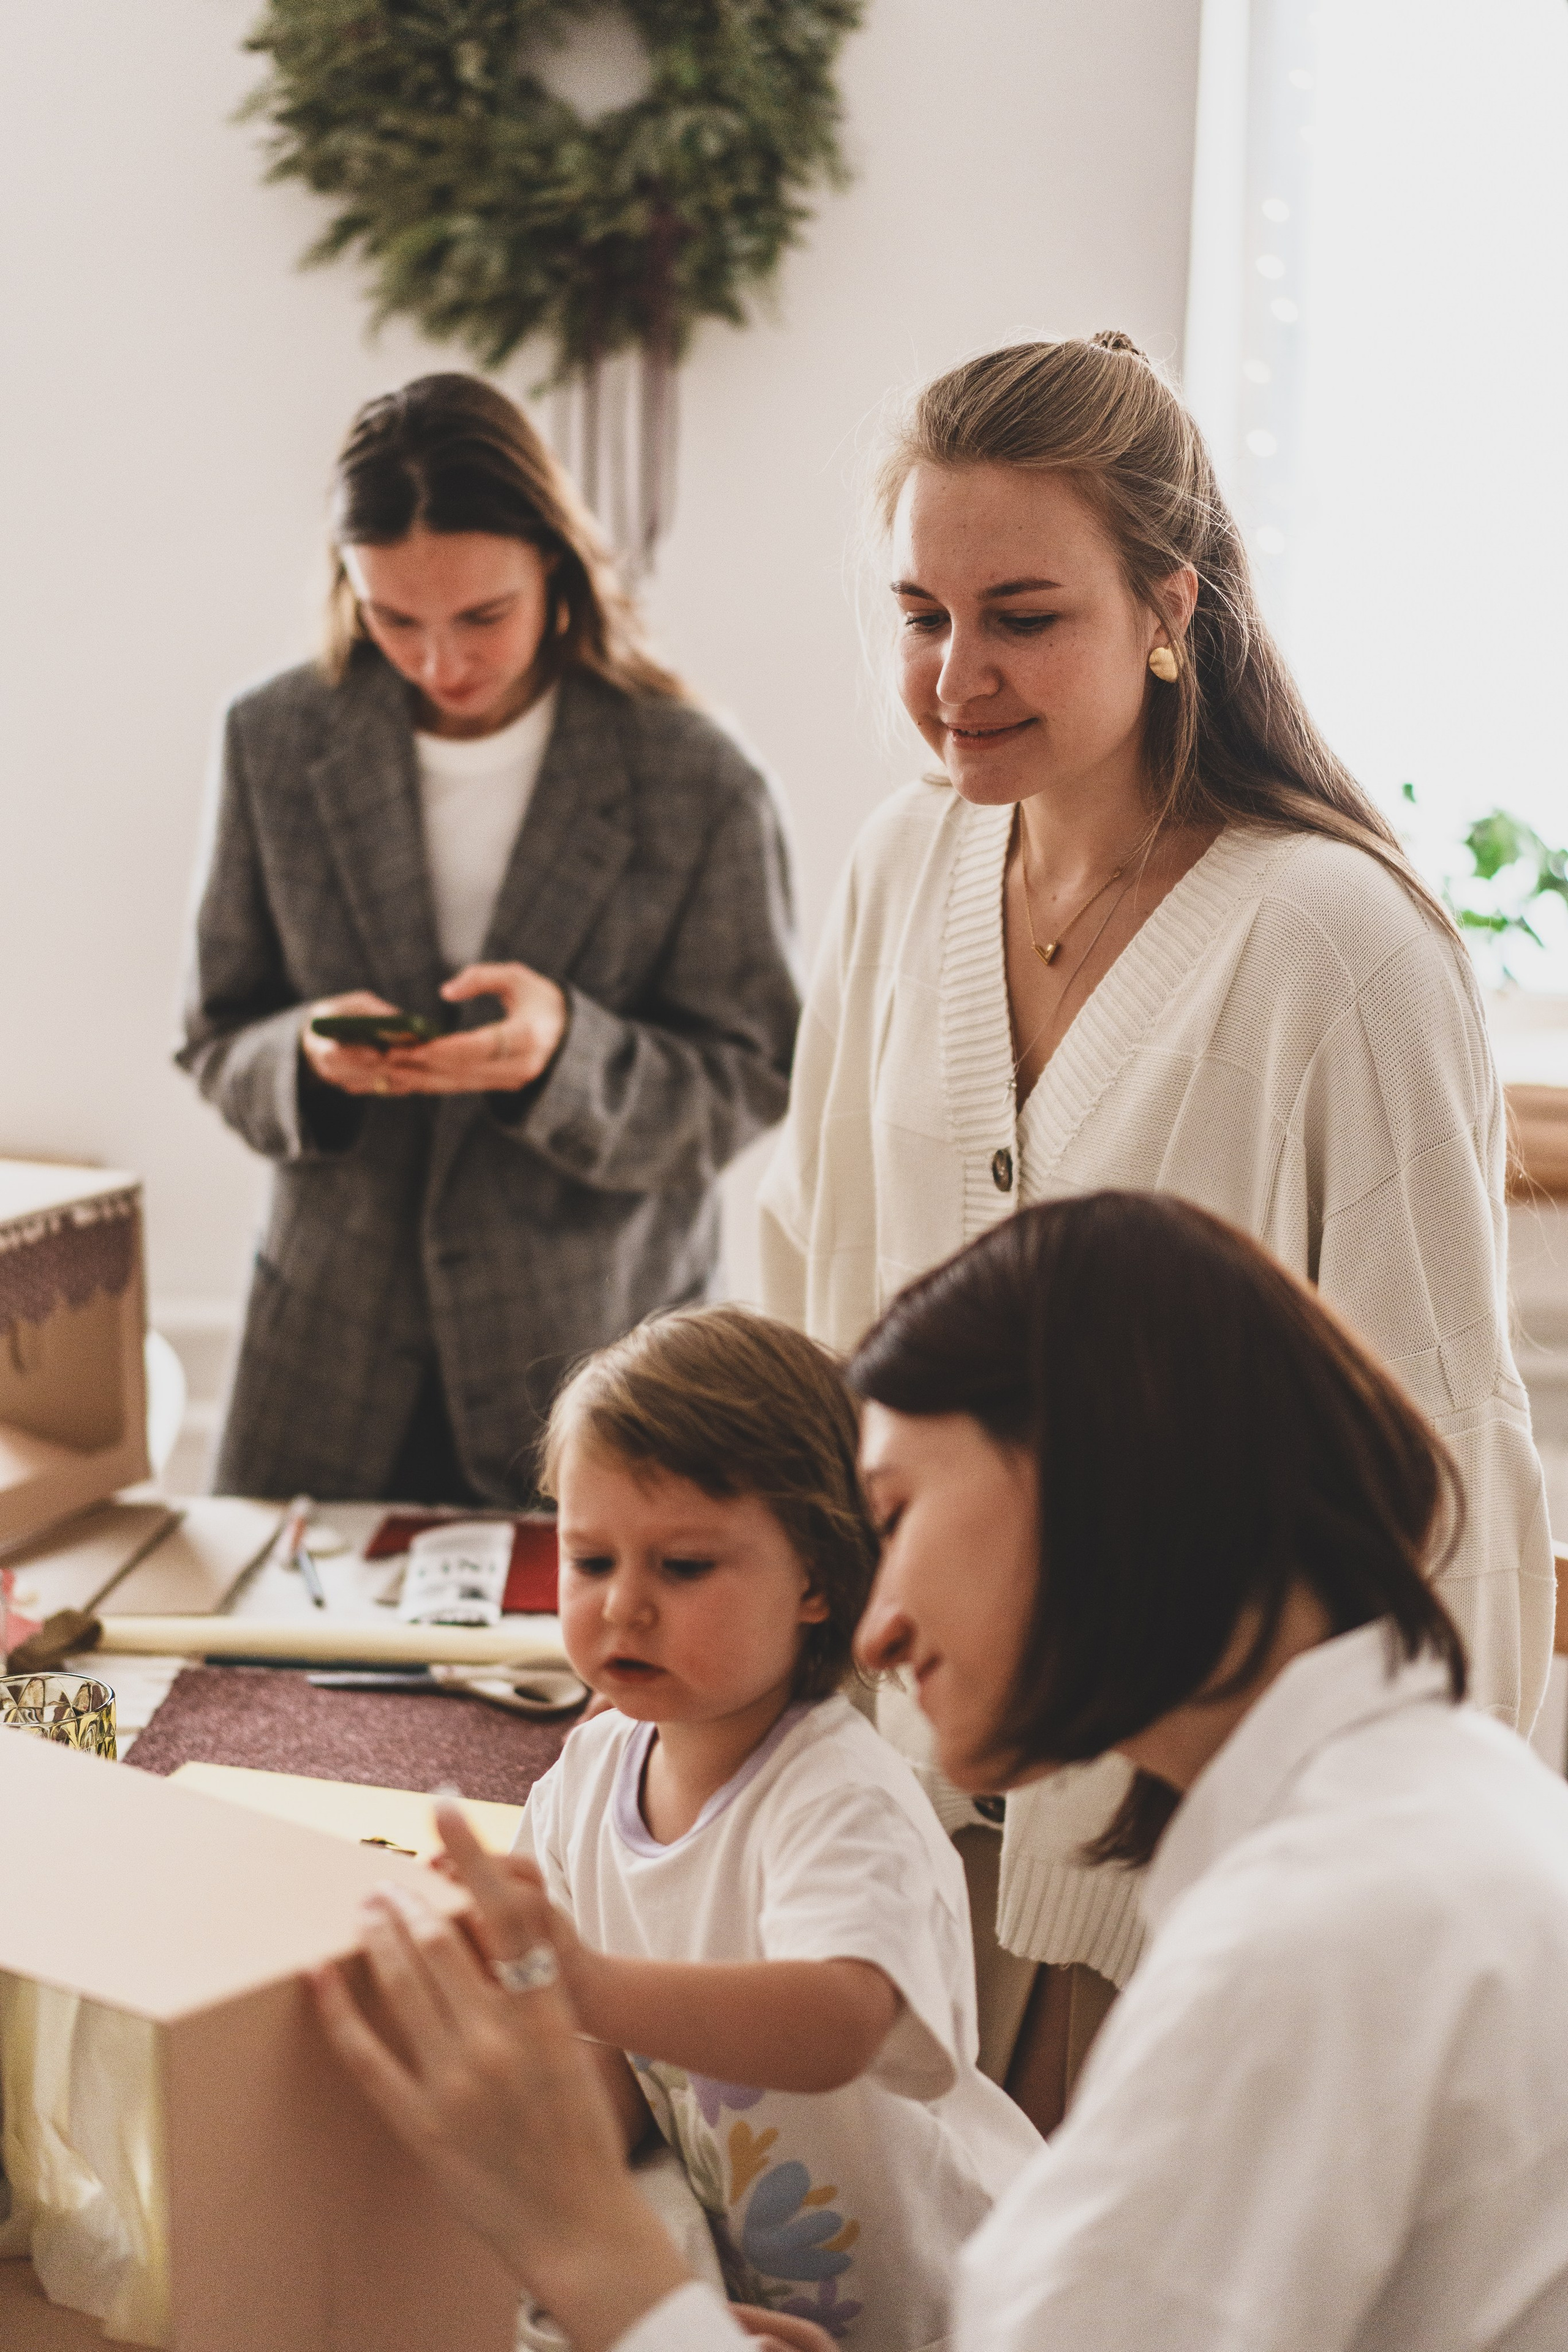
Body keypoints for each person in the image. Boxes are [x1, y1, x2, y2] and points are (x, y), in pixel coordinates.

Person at [314, 1194, 1568, 2352]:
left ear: (1092, 1485)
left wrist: (591, 2252)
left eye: (896, 1515)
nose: (875, 1627)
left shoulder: (1304, 1949)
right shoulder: (1429, 1817)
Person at [755, 331, 1553, 2119]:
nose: (957, 675)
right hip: (906, 1787)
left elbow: (1448, 1460)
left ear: (1170, 606)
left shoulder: (1337, 946)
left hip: (1191, 1859)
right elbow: (813, 1292)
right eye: (921, 613)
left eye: (1023, 615)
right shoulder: (903, 867)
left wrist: (1428, 1936)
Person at [178, 374, 798, 1505]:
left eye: (482, 617)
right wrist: (307, 1057)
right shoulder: (272, 740)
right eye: (393, 618)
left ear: (555, 570)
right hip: (323, 1366)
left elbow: (751, 1077)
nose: (439, 661)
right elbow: (217, 1034)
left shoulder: (692, 773)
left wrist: (566, 1056)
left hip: (595, 1368)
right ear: (347, 586)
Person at [509, 1305, 1039, 2348]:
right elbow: (599, 2073)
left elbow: (838, 2020)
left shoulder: (838, 1798)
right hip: (756, 2293)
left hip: (949, 2308)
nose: (624, 1608)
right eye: (591, 1561)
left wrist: (582, 1983)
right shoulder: (581, 1782)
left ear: (817, 1581)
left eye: (685, 1567)